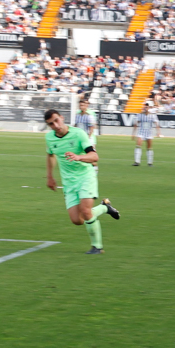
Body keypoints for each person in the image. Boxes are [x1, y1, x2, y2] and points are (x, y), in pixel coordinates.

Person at [44, 109, 121, 255]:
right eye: (51, 124)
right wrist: (50, 176)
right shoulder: (49, 138)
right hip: (68, 182)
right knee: (77, 220)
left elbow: (94, 156)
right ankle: (105, 208)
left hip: (86, 177)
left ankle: (97, 247)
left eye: (56, 120)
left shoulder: (78, 134)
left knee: (85, 212)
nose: (55, 125)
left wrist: (79, 157)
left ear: (62, 117)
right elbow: (50, 155)